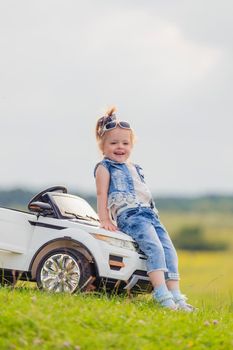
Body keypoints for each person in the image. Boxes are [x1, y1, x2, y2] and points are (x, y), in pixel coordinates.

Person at [94, 106, 195, 311]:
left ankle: (176, 294)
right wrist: (104, 219)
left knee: (169, 251)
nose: (120, 147)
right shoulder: (104, 167)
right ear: (102, 146)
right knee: (154, 248)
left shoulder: (135, 168)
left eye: (125, 143)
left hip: (150, 216)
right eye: (113, 143)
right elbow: (101, 194)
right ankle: (161, 294)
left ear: (132, 145)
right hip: (131, 217)